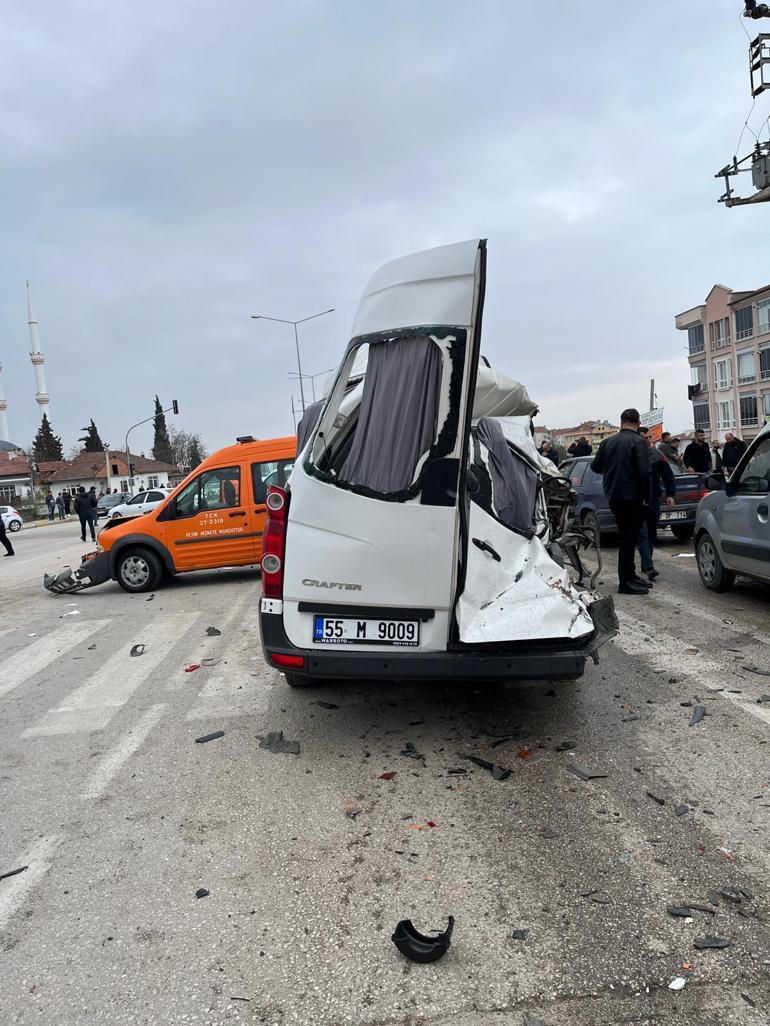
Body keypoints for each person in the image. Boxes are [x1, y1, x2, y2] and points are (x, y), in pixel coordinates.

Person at [591, 408, 651, 595]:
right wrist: (647, 497)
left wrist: (611, 469)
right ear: (638, 423)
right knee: (628, 539)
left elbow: (595, 467)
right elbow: (644, 473)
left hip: (614, 496)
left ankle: (630, 575)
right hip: (633, 497)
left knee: (627, 537)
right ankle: (625, 582)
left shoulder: (607, 442)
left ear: (621, 422)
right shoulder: (638, 442)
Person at [637, 429, 676, 581]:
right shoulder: (632, 455)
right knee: (642, 534)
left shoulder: (658, 455)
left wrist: (670, 494)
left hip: (653, 500)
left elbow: (668, 475)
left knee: (651, 533)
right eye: (644, 438)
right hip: (637, 501)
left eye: (649, 437)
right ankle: (649, 566)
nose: (648, 440)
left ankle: (646, 562)